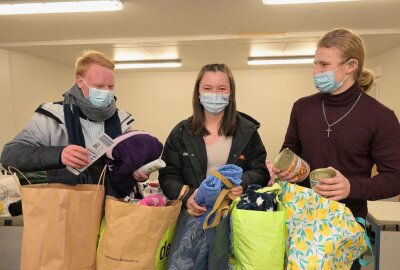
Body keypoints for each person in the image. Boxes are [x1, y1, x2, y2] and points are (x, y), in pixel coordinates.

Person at [272, 28, 400, 270]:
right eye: (315, 64)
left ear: (350, 66)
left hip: (346, 223)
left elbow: (395, 177)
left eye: (323, 65)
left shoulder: (381, 117)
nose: (315, 72)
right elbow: (289, 151)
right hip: (300, 219)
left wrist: (352, 186)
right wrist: (283, 169)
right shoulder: (302, 108)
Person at [0, 50, 145, 195]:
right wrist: (59, 154)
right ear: (80, 81)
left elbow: (128, 160)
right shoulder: (51, 117)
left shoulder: (121, 120)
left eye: (111, 86)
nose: (106, 92)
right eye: (99, 86)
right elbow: (9, 155)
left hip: (113, 205)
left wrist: (137, 170)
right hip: (67, 205)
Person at [159, 63, 270, 216]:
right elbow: (168, 176)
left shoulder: (247, 131)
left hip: (236, 214)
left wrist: (242, 183)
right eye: (207, 88)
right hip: (194, 215)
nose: (215, 94)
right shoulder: (181, 133)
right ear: (198, 92)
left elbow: (261, 171)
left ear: (230, 93)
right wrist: (186, 195)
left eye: (222, 88)